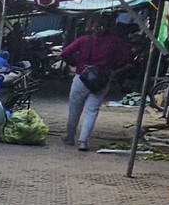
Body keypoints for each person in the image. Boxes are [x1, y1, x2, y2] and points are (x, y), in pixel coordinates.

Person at [59, 17, 137, 150]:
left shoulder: (84, 39)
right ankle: (83, 142)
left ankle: (70, 137)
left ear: (93, 27)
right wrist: (113, 67)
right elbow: (128, 56)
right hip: (102, 79)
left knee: (74, 110)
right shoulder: (114, 42)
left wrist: (76, 63)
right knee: (92, 111)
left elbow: (65, 53)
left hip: (82, 77)